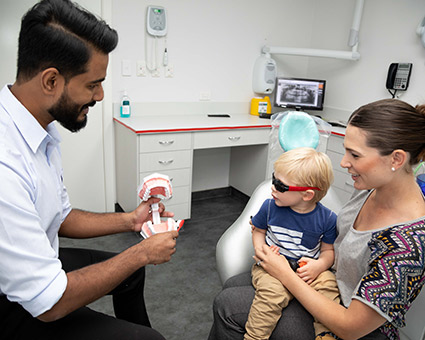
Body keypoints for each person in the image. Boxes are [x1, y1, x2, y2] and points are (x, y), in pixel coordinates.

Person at [0, 1, 178, 339]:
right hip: (15, 302)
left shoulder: (40, 129)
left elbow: (60, 216)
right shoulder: (5, 162)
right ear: (51, 80)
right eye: (92, 84)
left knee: (131, 274)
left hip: (35, 261)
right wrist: (141, 252)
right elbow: (47, 302)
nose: (99, 95)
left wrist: (131, 220)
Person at [208, 99, 425, 340]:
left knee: (227, 305)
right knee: (233, 285)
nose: (344, 162)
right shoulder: (371, 188)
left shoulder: (409, 243)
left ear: (396, 159)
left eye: (354, 154)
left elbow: (350, 327)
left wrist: (285, 274)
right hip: (330, 283)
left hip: (354, 326)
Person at [246, 147, 339, 340]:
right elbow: (258, 231)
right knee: (271, 294)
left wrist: (319, 266)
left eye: (280, 185)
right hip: (272, 268)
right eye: (274, 179)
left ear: (307, 195)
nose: (273, 187)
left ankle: (327, 335)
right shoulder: (269, 207)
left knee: (329, 286)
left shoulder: (328, 219)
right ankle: (254, 337)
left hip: (308, 271)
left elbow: (328, 251)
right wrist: (261, 250)